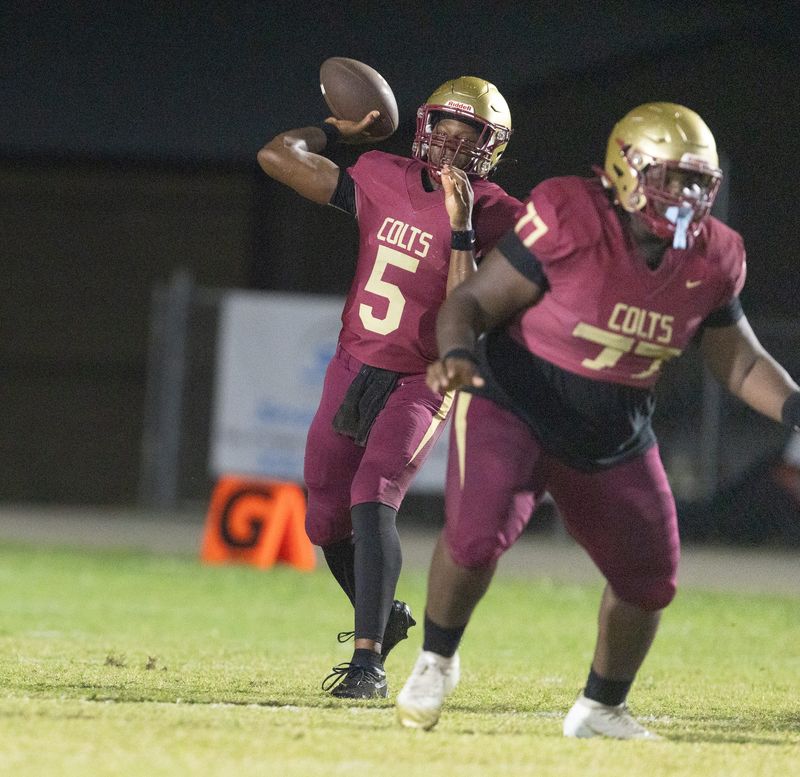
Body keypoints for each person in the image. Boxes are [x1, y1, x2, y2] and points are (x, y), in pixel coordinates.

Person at [395, 102, 800, 736]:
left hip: (613, 426)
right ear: (624, 168)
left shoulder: (715, 256)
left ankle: (601, 707)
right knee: (476, 536)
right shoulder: (570, 214)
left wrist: (795, 407)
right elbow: (472, 301)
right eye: (670, 176)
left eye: (697, 181)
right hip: (515, 399)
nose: (684, 194)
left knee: (650, 579)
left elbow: (739, 362)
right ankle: (436, 659)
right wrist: (455, 355)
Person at [257, 77, 522, 698]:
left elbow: (469, 307)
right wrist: (333, 132)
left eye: (468, 137)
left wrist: (460, 226)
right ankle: (386, 618)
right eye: (445, 131)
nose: (452, 147)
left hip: (421, 378)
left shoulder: (501, 215)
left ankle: (368, 664)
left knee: (373, 495)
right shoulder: (380, 172)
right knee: (323, 516)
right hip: (352, 364)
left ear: (490, 147)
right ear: (425, 127)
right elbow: (275, 157)